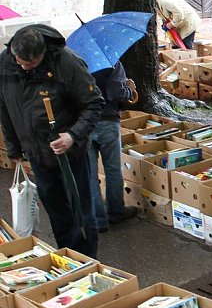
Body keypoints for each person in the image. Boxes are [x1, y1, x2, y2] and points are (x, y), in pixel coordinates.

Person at [0, 25, 104, 257]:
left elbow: (94, 103)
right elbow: (5, 108)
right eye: (21, 62)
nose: (25, 67)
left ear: (43, 53)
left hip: (71, 153)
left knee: (81, 211)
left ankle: (89, 259)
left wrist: (73, 135)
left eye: (31, 63)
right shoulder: (5, 64)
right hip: (37, 152)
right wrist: (14, 147)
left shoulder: (67, 62)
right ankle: (69, 255)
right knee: (57, 211)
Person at [89, 62, 138, 233]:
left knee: (90, 174)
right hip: (107, 120)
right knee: (113, 169)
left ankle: (98, 220)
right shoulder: (111, 63)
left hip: (84, 124)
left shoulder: (75, 63)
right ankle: (116, 211)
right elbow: (115, 93)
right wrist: (129, 89)